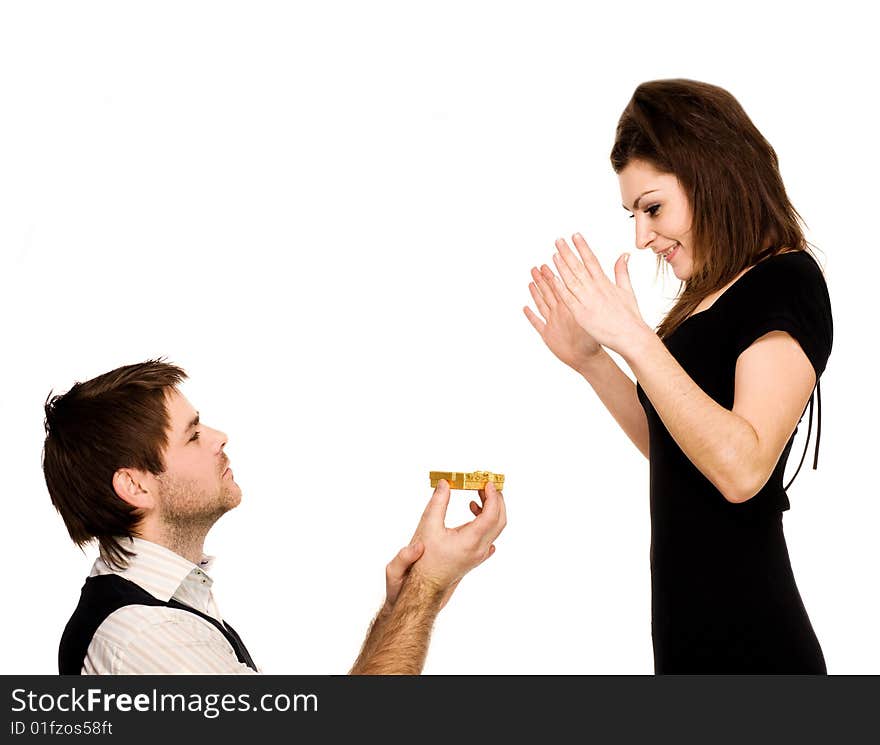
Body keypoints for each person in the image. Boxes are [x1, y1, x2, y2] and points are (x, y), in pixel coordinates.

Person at [524, 79, 831, 673]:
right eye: (633, 214)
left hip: (758, 650)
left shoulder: (787, 281)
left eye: (653, 207)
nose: (641, 236)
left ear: (711, 177)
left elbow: (742, 470)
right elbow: (675, 447)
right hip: (685, 643)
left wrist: (635, 338)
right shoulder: (706, 297)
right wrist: (592, 359)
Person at [43, 360, 506, 674]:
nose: (219, 437)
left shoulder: (163, 607)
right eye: (192, 435)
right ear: (135, 486)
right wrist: (423, 591)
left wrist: (404, 603)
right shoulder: (148, 636)